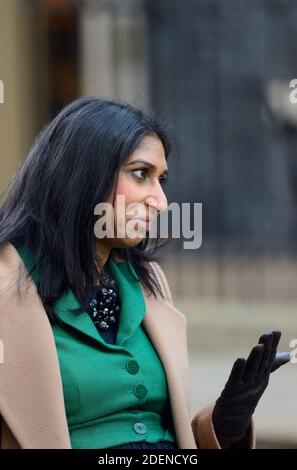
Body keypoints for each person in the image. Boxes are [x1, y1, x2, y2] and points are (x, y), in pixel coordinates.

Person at [0, 97, 289, 449]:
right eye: (141, 174)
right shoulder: (9, 289)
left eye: (161, 179)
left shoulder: (147, 284)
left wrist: (224, 424)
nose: (161, 200)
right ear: (83, 174)